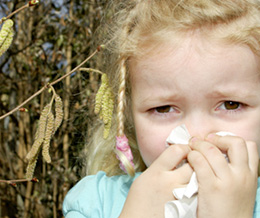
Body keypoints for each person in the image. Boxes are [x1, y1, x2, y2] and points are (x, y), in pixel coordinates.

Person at [63, 0, 260, 217]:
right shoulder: (95, 202)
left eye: (230, 104)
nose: (197, 136)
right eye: (164, 108)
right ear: (128, 116)